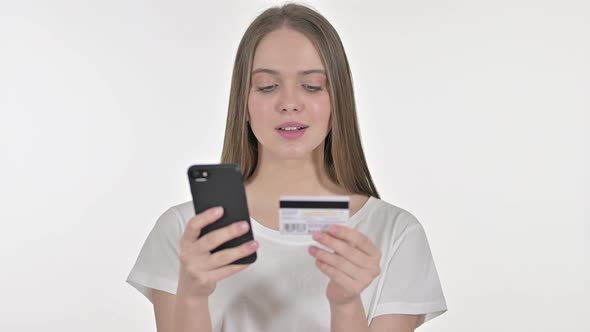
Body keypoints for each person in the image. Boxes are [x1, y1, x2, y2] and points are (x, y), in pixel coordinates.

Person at [126, 3, 447, 332]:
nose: (289, 103)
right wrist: (192, 298)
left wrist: (347, 305)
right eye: (267, 86)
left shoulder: (394, 233)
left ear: (339, 100)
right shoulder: (185, 230)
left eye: (311, 86)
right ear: (244, 103)